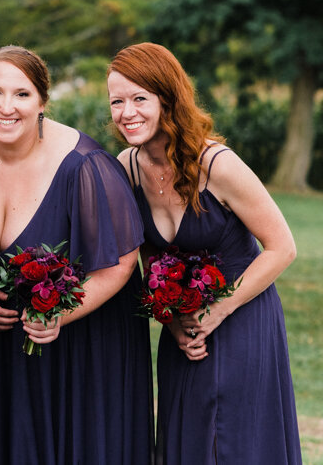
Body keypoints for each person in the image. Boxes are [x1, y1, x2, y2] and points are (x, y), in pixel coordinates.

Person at [0, 45, 153, 465]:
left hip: (80, 352)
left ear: (43, 102)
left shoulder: (85, 164)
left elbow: (120, 263)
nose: (7, 107)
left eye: (22, 94)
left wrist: (58, 314)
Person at [107, 42, 301, 464]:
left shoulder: (218, 164)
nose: (127, 112)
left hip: (242, 317)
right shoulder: (127, 167)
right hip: (183, 331)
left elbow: (282, 247)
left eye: (140, 98)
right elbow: (147, 258)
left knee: (231, 441)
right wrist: (172, 321)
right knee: (188, 438)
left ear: (167, 99)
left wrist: (217, 311)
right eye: (117, 101)